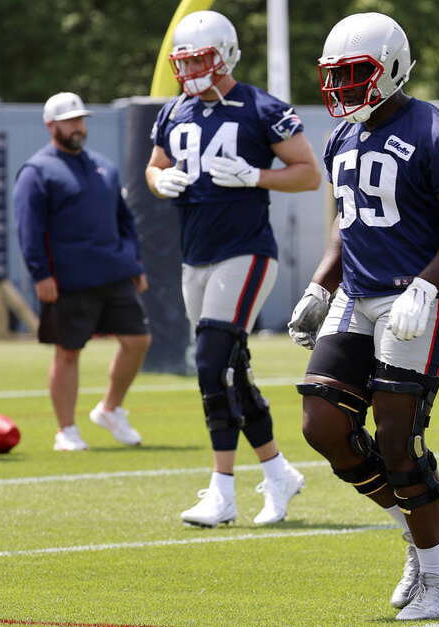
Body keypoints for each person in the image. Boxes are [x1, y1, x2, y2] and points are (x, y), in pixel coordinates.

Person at [288, 12, 439, 621]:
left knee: (397, 438)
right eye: (336, 76)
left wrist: (428, 286)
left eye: (357, 74)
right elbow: (348, 220)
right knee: (322, 424)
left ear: (394, 69)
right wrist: (320, 285)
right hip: (357, 293)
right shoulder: (340, 137)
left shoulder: (435, 132)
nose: (344, 88)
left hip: (415, 300)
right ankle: (422, 530)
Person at [144, 10, 320, 527]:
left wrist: (254, 176)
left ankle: (222, 490)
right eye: (185, 60)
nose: (192, 69)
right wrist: (159, 183)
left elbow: (309, 174)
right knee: (231, 369)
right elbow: (153, 166)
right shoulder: (173, 111)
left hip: (245, 251)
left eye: (201, 58)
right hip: (194, 255)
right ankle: (278, 472)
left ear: (225, 55)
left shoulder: (261, 108)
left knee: (209, 362)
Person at [15, 91, 151, 452]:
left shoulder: (103, 167)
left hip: (115, 272)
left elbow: (125, 221)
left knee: (138, 341)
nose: (78, 126)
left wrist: (134, 264)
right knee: (68, 352)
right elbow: (29, 228)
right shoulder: (37, 171)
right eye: (70, 120)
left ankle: (109, 409)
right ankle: (66, 431)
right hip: (68, 280)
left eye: (81, 119)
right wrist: (40, 274)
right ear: (51, 125)